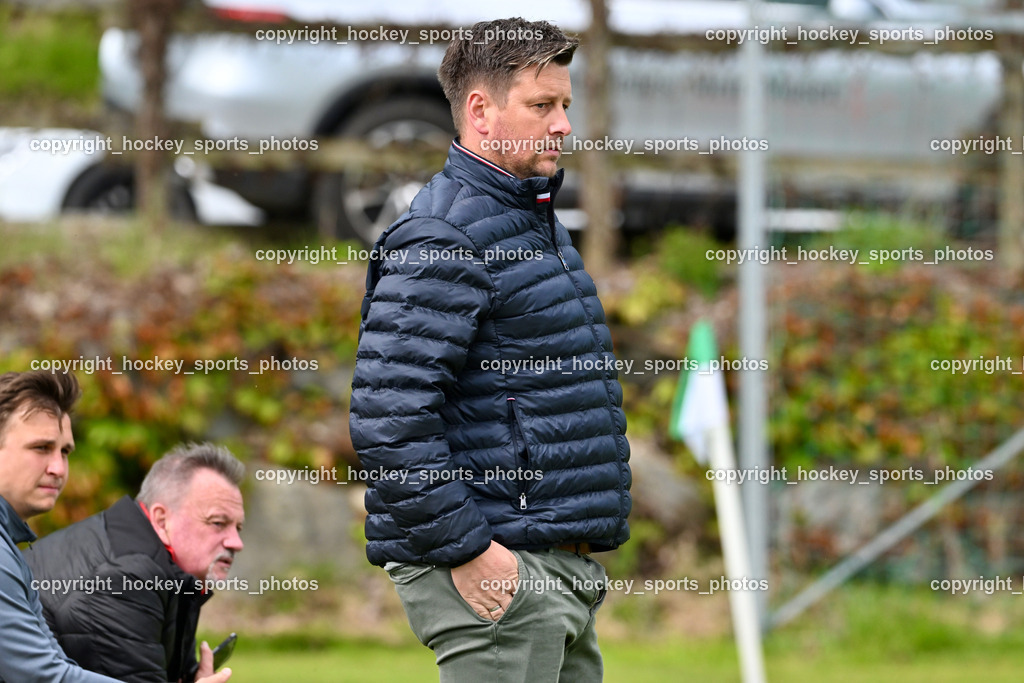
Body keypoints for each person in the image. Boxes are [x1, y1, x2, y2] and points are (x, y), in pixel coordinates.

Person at [349, 17, 631, 681]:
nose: (562, 123)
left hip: (549, 565)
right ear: (481, 110)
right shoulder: (444, 236)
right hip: (498, 570)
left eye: (565, 104)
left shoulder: (533, 221)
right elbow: (388, 420)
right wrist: (472, 549)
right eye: (541, 106)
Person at [25, 442, 244, 683]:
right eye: (217, 523)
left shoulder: (168, 571)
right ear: (162, 521)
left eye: (238, 528)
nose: (236, 542)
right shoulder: (124, 579)